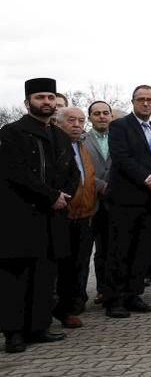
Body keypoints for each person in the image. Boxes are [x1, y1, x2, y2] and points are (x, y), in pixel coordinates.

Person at [0, 78, 78, 353]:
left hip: (52, 218)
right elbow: (16, 173)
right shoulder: (11, 133)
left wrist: (65, 195)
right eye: (40, 97)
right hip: (21, 217)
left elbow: (73, 172)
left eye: (50, 97)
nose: (46, 102)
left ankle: (38, 327)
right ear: (27, 102)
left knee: (45, 276)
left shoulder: (60, 136)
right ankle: (14, 333)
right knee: (17, 278)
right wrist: (50, 196)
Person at [104, 85, 151, 318]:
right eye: (141, 99)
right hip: (126, 199)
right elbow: (121, 158)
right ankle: (115, 299)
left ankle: (134, 295)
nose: (146, 103)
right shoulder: (119, 126)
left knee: (142, 251)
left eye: (150, 100)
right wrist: (147, 179)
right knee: (121, 250)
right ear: (133, 101)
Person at [52, 106, 99, 328]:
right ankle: (56, 307)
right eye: (72, 120)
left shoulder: (81, 147)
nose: (77, 125)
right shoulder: (55, 147)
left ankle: (71, 304)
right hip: (62, 215)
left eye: (81, 121)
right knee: (60, 267)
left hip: (84, 215)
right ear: (58, 122)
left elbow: (88, 180)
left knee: (78, 264)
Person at [83, 100, 114, 304]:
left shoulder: (121, 138)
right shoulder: (81, 140)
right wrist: (100, 184)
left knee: (109, 249)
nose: (102, 116)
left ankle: (107, 290)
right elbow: (80, 168)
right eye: (97, 113)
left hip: (114, 202)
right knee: (85, 251)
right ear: (90, 117)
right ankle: (78, 295)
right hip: (89, 202)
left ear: (111, 116)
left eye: (105, 113)